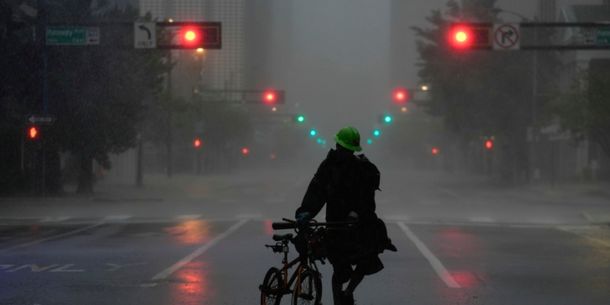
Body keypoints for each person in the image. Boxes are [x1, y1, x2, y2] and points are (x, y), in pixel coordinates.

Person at [294, 126, 396, 305]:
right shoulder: (329, 166)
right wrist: (306, 212)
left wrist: (357, 214)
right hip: (335, 226)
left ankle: (348, 292)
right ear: (337, 146)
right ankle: (338, 300)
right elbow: (316, 191)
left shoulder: (364, 169)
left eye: (348, 150)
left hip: (359, 226)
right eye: (343, 149)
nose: (344, 152)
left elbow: (367, 199)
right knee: (340, 270)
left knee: (367, 258)